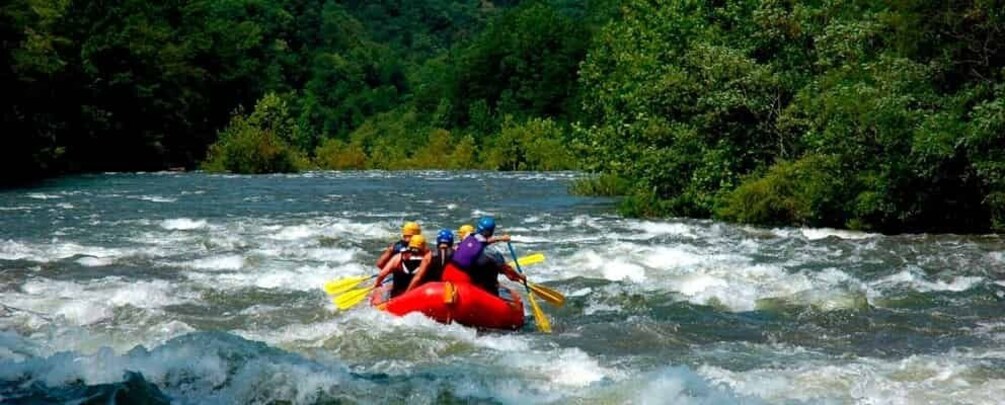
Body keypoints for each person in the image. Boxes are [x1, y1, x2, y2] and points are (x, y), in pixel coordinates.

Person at [448, 216, 525, 295]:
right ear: (491, 232)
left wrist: (501, 238)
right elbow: (509, 272)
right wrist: (520, 277)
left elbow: (483, 240)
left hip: (447, 275)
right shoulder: (492, 253)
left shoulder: (468, 237)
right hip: (465, 281)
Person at [374, 234, 433, 299]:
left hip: (397, 295)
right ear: (423, 246)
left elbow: (383, 273)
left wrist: (377, 284)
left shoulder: (399, 257)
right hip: (417, 295)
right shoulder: (427, 259)